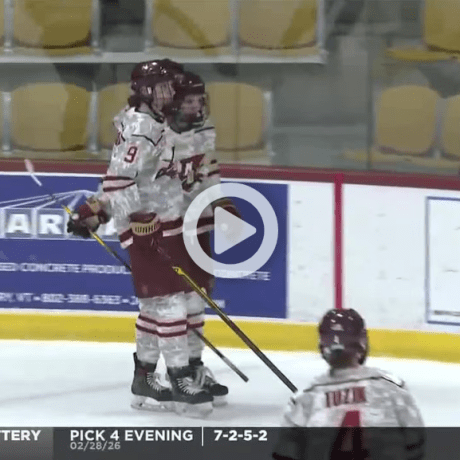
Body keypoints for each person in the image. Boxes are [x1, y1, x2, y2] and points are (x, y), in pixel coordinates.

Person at [67, 59, 214, 416]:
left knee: (156, 306)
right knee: (171, 305)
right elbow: (120, 181)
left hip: (159, 221)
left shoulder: (152, 121)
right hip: (145, 226)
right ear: (146, 90)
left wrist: (98, 209)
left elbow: (132, 179)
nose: (170, 93)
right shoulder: (141, 129)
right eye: (163, 87)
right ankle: (180, 381)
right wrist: (113, 214)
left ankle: (144, 379)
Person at [164, 70, 240, 406]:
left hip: (197, 224)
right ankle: (175, 372)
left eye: (199, 100)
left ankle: (193, 367)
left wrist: (221, 202)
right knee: (172, 304)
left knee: (196, 301)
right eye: (189, 100)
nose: (196, 106)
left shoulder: (205, 130)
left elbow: (210, 173)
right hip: (166, 226)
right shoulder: (155, 133)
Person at [272, 308, 425, 460]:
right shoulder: (392, 389)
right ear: (361, 342)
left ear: (323, 346)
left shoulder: (306, 398)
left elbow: (285, 454)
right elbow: (416, 443)